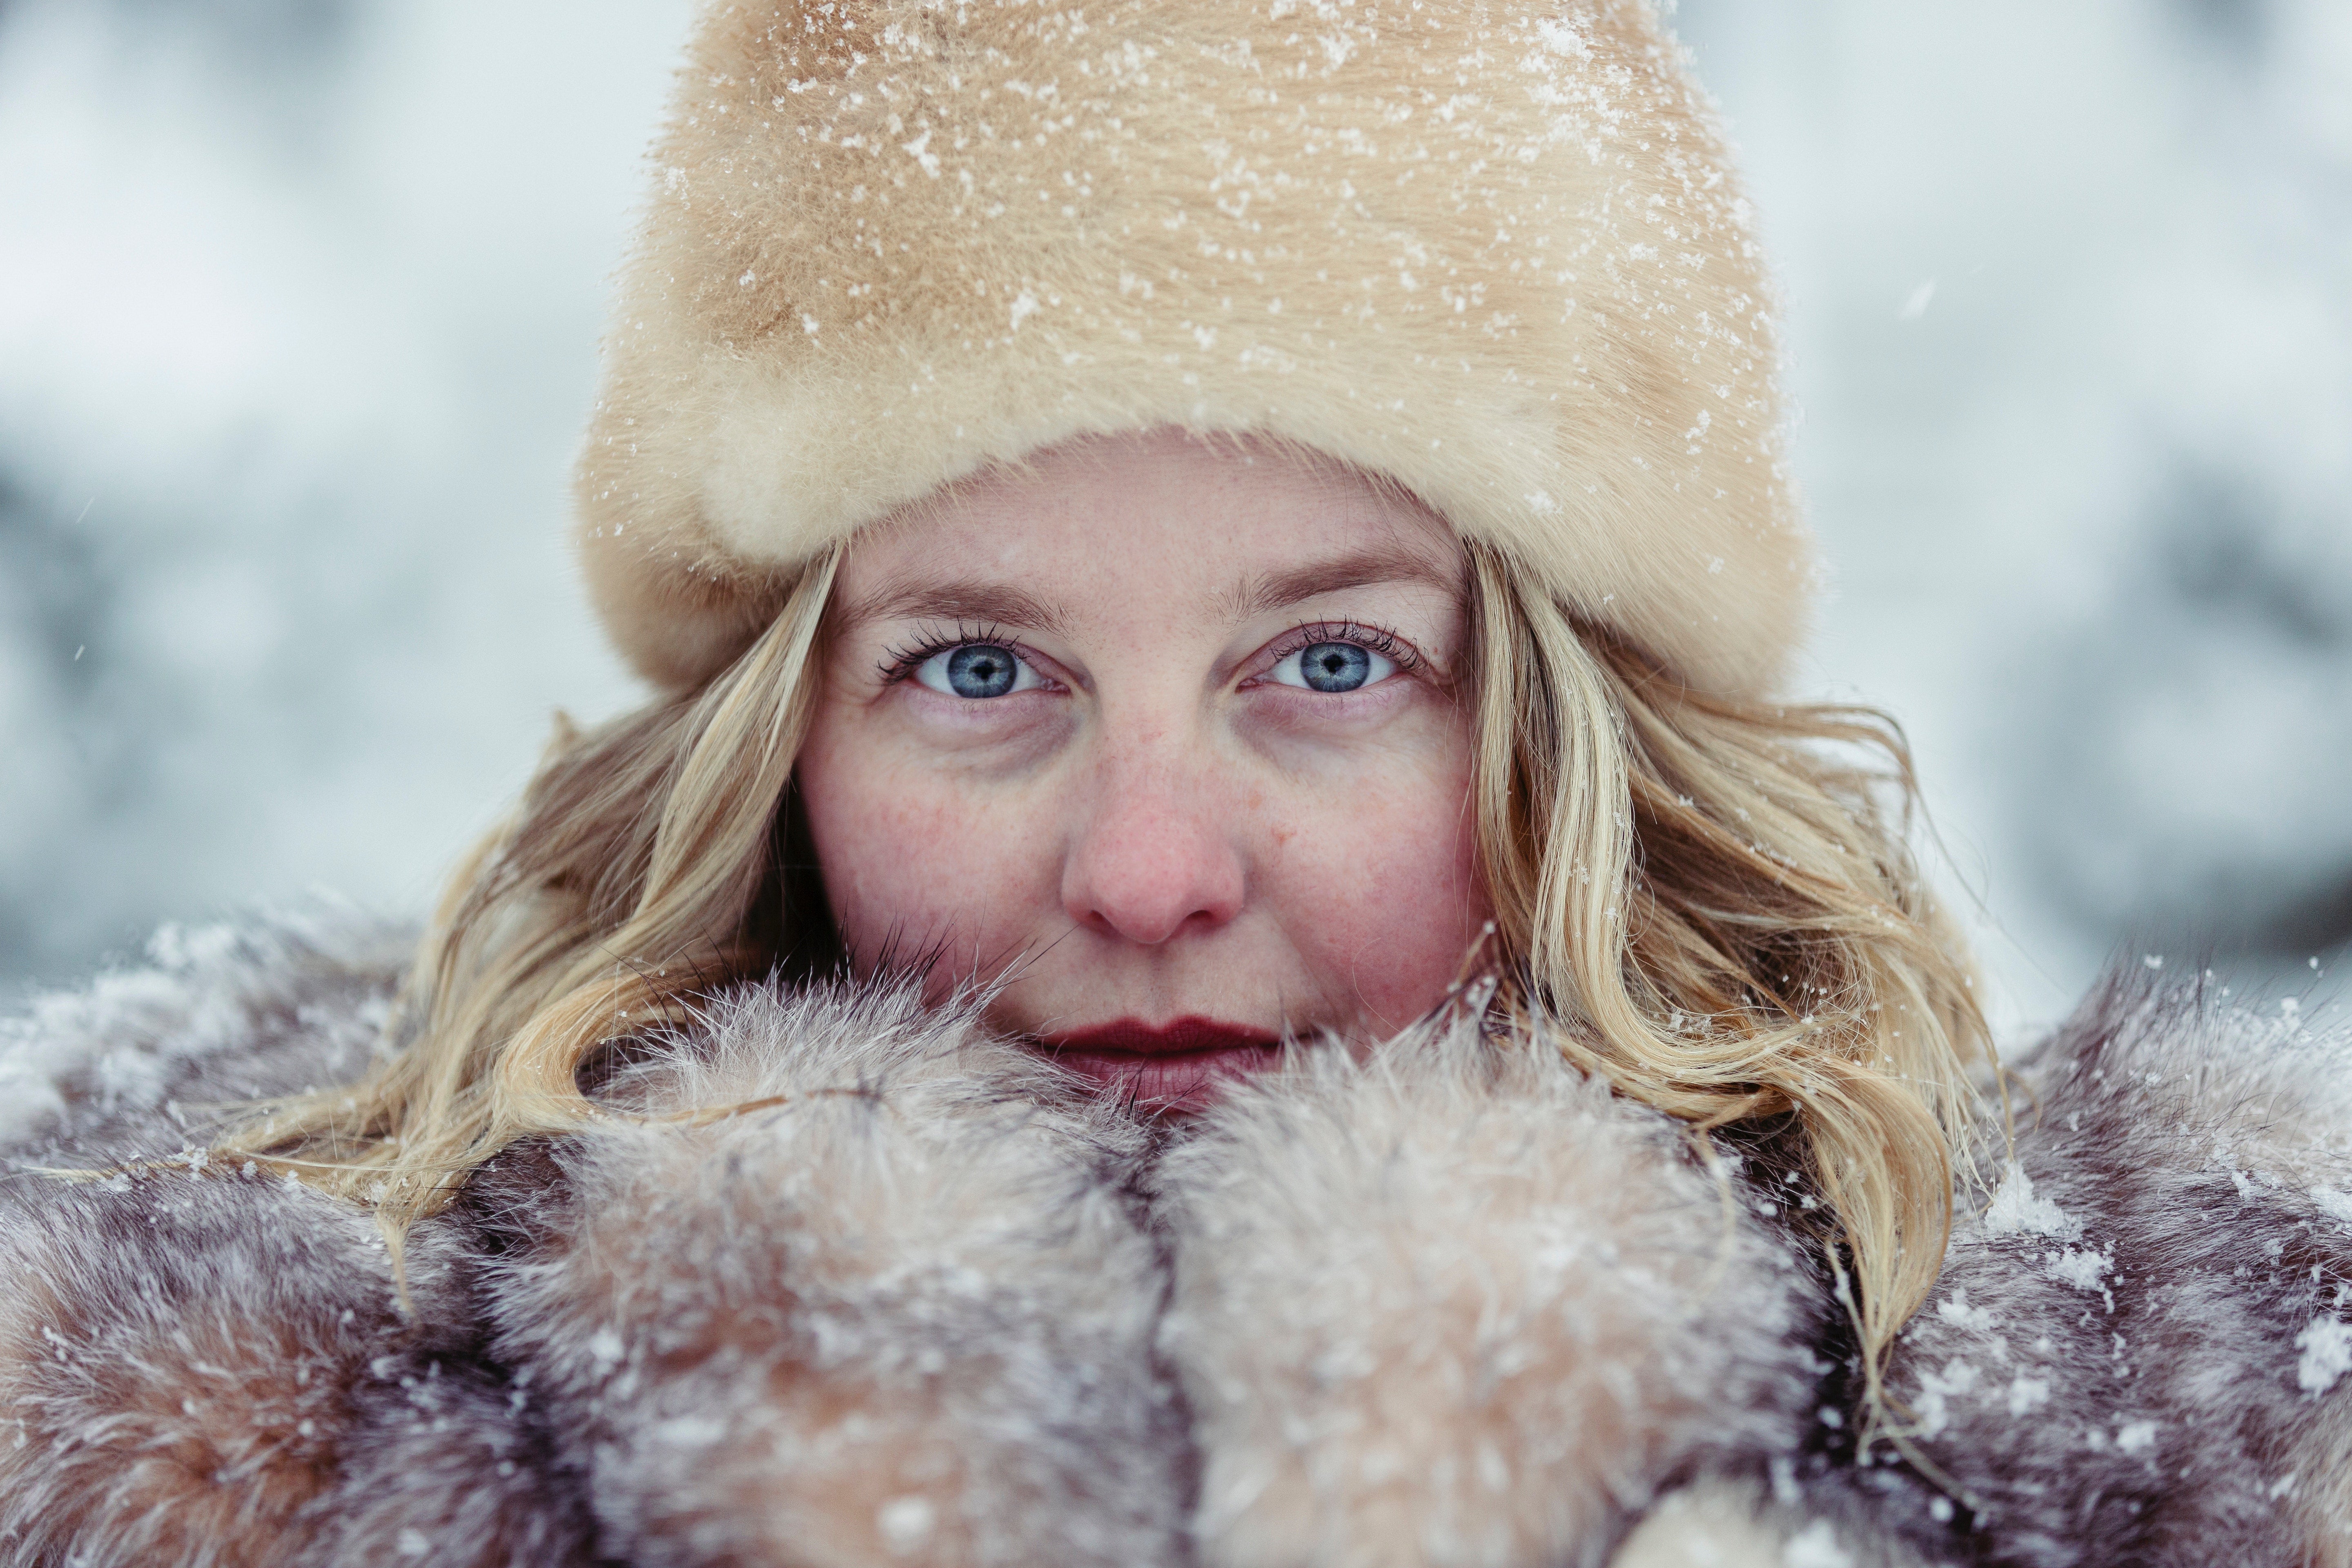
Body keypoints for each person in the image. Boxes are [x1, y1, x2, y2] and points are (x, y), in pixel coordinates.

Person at [3, 3, 2347, 1564]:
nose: (1144, 871)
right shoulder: (205, 1430)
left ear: (1580, 726)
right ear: (777, 737)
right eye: (979, 667)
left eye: (1334, 661)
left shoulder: (2176, 1420)